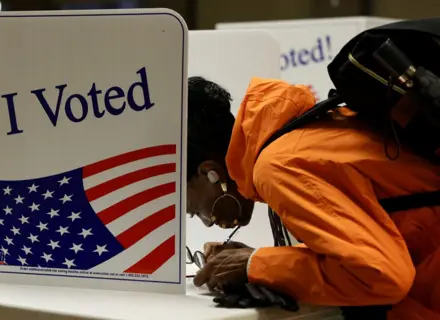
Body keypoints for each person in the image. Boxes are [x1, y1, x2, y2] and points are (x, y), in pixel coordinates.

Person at [186, 76, 440, 319]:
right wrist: (258, 261)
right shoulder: (302, 136)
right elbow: (370, 244)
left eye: (195, 210)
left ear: (211, 174)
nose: (207, 223)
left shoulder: (278, 165)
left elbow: (379, 275)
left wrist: (254, 264)